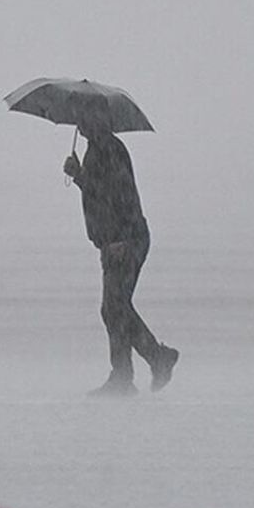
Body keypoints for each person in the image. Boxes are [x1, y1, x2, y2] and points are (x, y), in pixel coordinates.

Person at [63, 121, 179, 395]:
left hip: (126, 240)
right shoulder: (97, 148)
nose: (79, 124)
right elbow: (99, 192)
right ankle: (130, 372)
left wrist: (122, 237)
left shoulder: (110, 148)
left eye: (83, 117)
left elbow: (120, 194)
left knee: (115, 307)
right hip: (114, 240)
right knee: (114, 309)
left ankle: (143, 365)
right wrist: (79, 176)